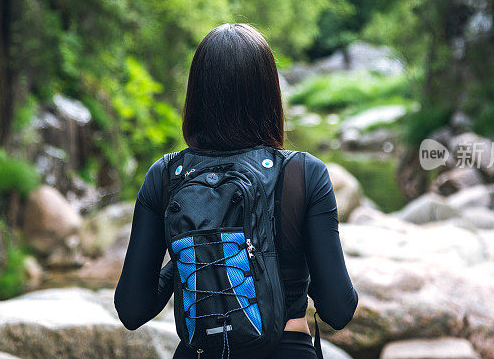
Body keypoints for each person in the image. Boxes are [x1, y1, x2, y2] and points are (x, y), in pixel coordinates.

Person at [114, 23, 358, 359]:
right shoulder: (304, 174)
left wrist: (195, 248)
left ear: (196, 96)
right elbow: (338, 308)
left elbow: (131, 309)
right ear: (270, 94)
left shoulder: (165, 176)